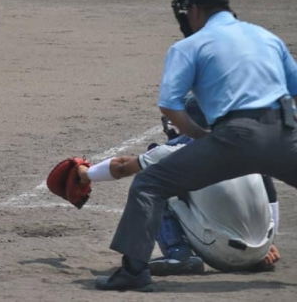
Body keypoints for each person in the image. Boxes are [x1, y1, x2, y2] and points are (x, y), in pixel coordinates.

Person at [94, 0, 297, 292]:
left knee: (150, 184)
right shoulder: (266, 36)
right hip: (283, 130)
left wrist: (202, 138)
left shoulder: (189, 46)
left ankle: (133, 272)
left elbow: (170, 106)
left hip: (234, 136)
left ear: (196, 11)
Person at [77, 96, 280, 277]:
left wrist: (86, 174)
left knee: (154, 183)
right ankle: (263, 245)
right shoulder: (246, 144)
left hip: (222, 251)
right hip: (261, 248)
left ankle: (178, 254)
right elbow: (271, 196)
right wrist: (265, 246)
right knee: (259, 180)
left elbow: (122, 167)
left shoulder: (175, 151)